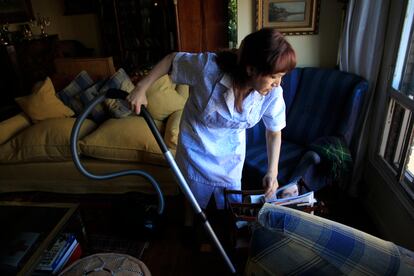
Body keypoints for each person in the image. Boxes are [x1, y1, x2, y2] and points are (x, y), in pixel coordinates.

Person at [127, 28, 296, 218]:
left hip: (230, 153)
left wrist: (272, 172)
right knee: (191, 198)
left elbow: (274, 131)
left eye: (281, 76)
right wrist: (141, 87)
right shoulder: (208, 68)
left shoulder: (273, 94)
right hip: (196, 144)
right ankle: (189, 225)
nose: (278, 83)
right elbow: (171, 60)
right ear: (251, 69)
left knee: (229, 202)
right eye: (274, 76)